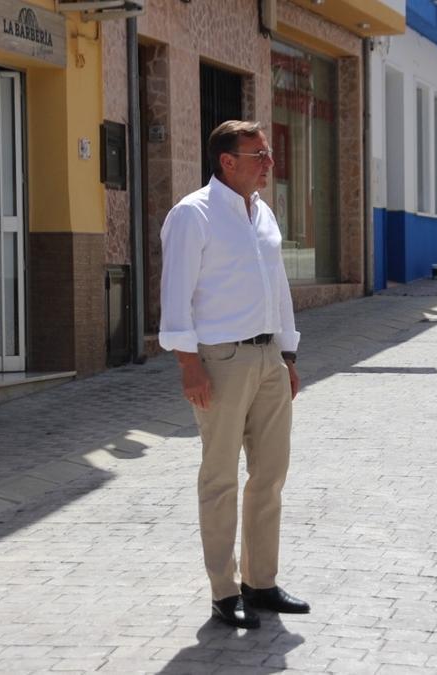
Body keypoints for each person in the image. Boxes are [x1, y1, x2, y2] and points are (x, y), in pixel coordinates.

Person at [159, 120, 309, 629]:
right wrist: (188, 365)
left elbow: (278, 287)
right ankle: (224, 591)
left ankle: (260, 582)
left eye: (267, 153)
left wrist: (287, 356)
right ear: (228, 161)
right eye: (259, 154)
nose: (269, 162)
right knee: (220, 478)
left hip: (268, 358)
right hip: (218, 363)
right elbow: (175, 295)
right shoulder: (192, 215)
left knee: (269, 475)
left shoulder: (262, 213)